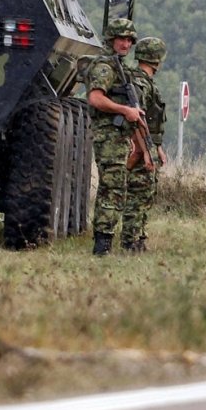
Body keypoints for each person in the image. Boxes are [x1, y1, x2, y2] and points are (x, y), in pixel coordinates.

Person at [85, 19, 149, 256]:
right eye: (121, 39)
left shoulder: (118, 66)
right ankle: (102, 245)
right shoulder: (105, 67)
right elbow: (95, 98)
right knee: (111, 189)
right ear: (111, 39)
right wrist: (125, 111)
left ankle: (105, 242)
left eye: (130, 40)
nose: (126, 44)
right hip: (108, 136)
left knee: (116, 188)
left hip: (118, 136)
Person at [119, 35, 169, 252]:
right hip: (139, 146)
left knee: (146, 193)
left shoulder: (145, 82)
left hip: (147, 145)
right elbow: (138, 121)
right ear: (156, 59)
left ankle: (138, 238)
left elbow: (152, 120)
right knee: (138, 195)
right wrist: (145, 152)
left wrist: (157, 147)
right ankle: (130, 241)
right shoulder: (140, 83)